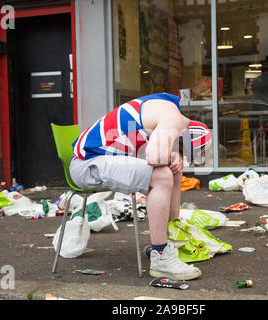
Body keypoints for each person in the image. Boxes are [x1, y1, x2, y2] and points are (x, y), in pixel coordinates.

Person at [69, 93, 212, 280]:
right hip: (87, 164)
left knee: (172, 171)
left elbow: (147, 155)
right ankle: (161, 256)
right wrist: (173, 158)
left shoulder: (165, 110)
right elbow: (153, 157)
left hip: (95, 161)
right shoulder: (174, 119)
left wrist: (174, 159)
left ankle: (171, 237)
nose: (179, 152)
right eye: (183, 151)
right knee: (162, 176)